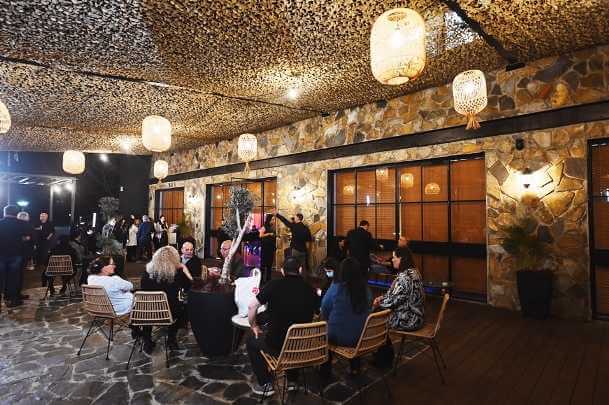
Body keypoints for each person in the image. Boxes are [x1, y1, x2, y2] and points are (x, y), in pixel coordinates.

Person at [246, 257, 319, 395]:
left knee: (251, 341)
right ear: (300, 270)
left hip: (277, 346)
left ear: (282, 271)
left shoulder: (274, 285)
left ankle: (266, 384)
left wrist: (254, 326)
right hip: (302, 345)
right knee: (294, 333)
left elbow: (251, 306)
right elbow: (319, 312)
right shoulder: (310, 289)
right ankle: (292, 381)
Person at [320, 257, 372, 376]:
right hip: (362, 336)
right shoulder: (365, 289)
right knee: (354, 324)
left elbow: (324, 307)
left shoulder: (336, 287)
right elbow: (369, 305)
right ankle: (355, 367)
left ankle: (325, 369)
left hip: (339, 337)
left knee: (323, 332)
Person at [140, 246, 193, 352]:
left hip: (148, 311)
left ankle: (147, 340)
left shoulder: (147, 273)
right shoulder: (177, 274)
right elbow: (189, 285)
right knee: (186, 308)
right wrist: (184, 268)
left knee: (148, 305)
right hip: (169, 312)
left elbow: (143, 288)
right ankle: (171, 338)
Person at [373, 247, 425, 331]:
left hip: (408, 321)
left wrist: (378, 303)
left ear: (401, 258)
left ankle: (378, 338)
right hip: (418, 317)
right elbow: (396, 295)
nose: (392, 260)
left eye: (394, 257)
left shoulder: (404, 278)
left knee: (373, 320)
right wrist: (383, 298)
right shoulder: (414, 272)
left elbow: (392, 302)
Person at [0, 205, 30, 308]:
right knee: (13, 278)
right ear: (16, 213)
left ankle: (3, 298)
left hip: (1, 254)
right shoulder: (21, 224)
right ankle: (11, 300)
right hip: (16, 254)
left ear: (5, 212)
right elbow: (27, 237)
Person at [17, 211, 34, 300]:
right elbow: (33, 239)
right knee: (20, 274)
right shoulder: (29, 226)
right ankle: (17, 293)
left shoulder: (14, 225)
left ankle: (8, 294)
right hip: (24, 253)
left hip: (11, 253)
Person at [35, 211, 55, 283]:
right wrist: (38, 229)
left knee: (45, 253)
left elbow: (52, 231)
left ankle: (44, 264)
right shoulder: (37, 223)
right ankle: (38, 264)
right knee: (38, 252)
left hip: (46, 241)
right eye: (41, 216)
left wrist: (48, 238)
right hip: (38, 241)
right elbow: (34, 229)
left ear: (47, 217)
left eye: (43, 216)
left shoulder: (49, 223)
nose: (42, 217)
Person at [259, 214, 276, 284]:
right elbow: (260, 235)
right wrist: (268, 234)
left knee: (269, 265)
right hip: (265, 248)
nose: (274, 221)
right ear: (269, 220)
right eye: (272, 219)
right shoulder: (264, 227)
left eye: (274, 219)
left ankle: (268, 279)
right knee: (263, 265)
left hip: (270, 248)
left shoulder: (272, 227)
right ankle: (261, 280)